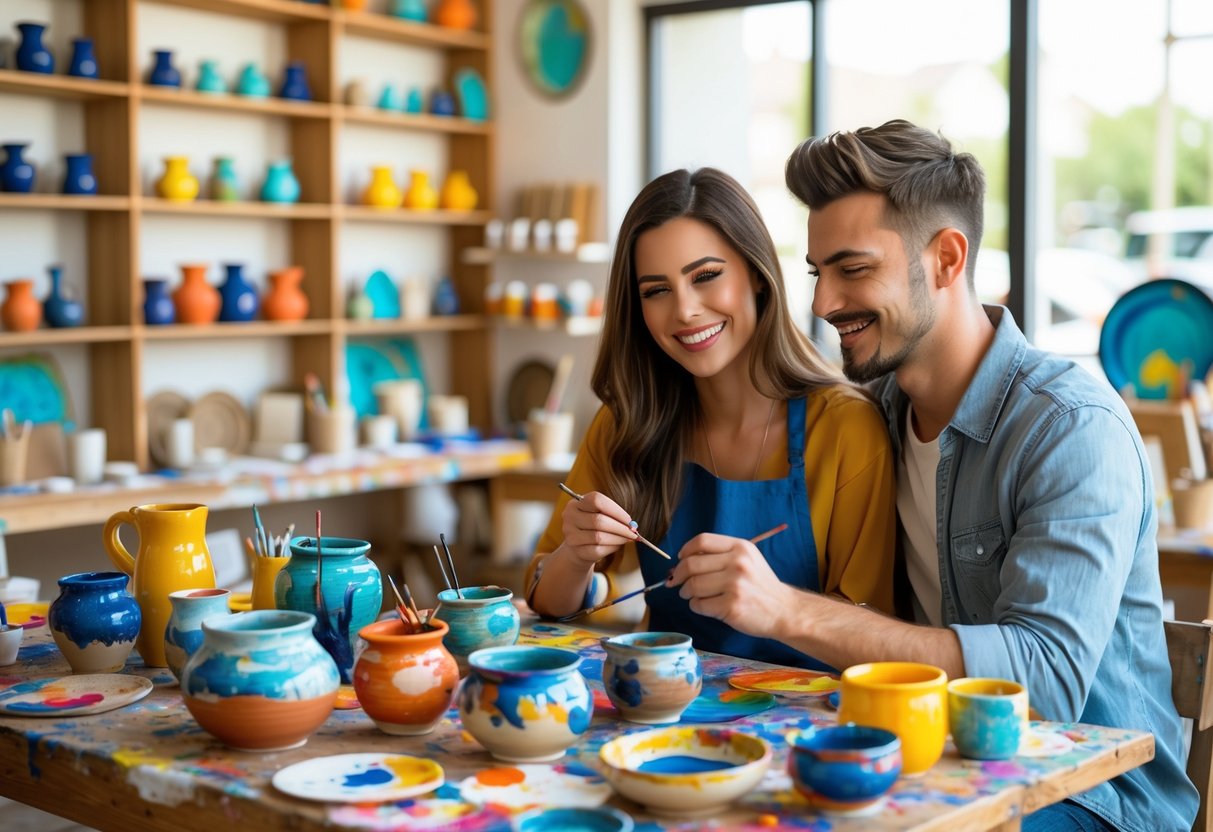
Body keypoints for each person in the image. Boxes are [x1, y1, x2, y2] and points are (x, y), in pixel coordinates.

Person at [697, 118, 1194, 830]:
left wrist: (787, 609)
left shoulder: (1069, 427)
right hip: (936, 771)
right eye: (817, 273)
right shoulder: (872, 417)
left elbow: (1041, 683)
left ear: (946, 258)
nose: (823, 303)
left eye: (852, 269)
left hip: (1088, 798)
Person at [525, 167, 896, 670]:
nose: (684, 310)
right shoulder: (627, 422)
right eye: (656, 290)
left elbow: (871, 629)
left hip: (808, 723)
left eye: (706, 276)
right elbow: (548, 604)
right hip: (660, 710)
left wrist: (776, 605)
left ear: (758, 277)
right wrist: (575, 553)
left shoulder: (847, 429)